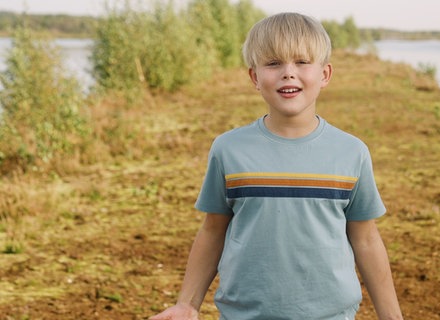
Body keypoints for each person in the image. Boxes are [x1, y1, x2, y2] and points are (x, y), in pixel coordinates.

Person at [149, 12, 403, 320]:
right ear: (255, 77)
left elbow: (366, 239)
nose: (288, 73)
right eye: (273, 63)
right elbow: (213, 231)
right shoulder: (229, 149)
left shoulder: (351, 152)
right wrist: (187, 303)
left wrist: (392, 316)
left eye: (301, 62)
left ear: (325, 74)